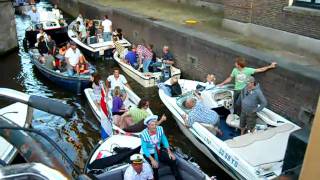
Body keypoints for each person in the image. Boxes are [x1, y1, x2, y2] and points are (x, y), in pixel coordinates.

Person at [141, 115, 182, 180]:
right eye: (152, 125)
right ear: (148, 126)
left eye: (155, 124)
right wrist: (152, 160)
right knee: (154, 167)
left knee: (173, 160)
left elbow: (164, 140)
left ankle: (177, 177)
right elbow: (144, 149)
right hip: (149, 153)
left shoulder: (160, 129)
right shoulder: (144, 134)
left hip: (158, 149)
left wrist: (169, 152)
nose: (154, 127)